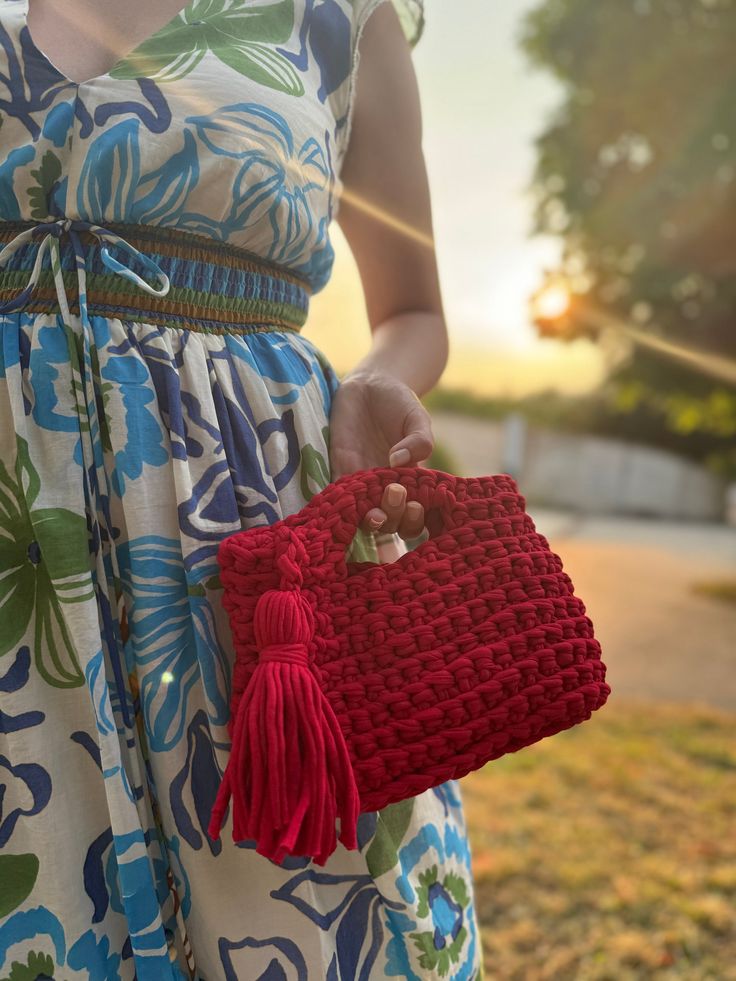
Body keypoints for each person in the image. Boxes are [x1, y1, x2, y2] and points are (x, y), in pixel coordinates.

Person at [0, 0, 484, 977]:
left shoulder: (341, 17)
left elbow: (416, 310)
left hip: (253, 525)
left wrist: (371, 381)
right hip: (22, 544)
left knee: (296, 903)